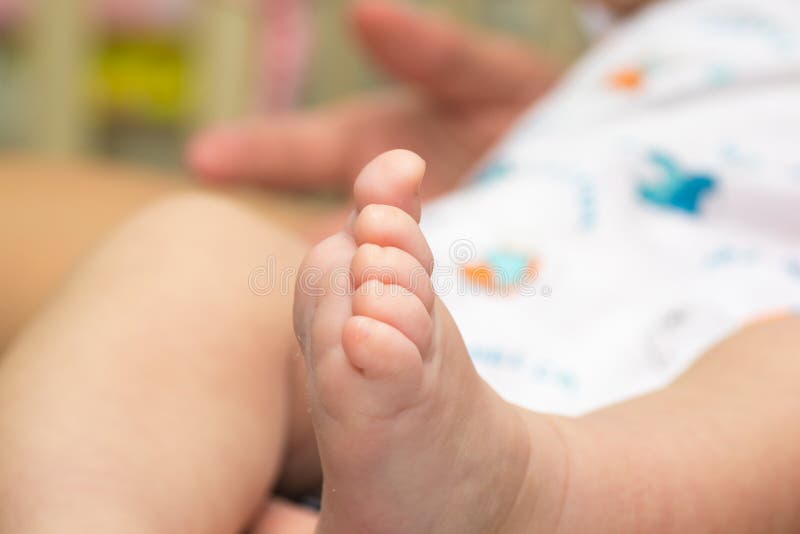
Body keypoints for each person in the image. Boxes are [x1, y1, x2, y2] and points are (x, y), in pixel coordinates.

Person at [2, 0, 800, 533]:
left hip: (695, 410)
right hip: (460, 292)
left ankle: (523, 495)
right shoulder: (676, 27)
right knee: (193, 251)